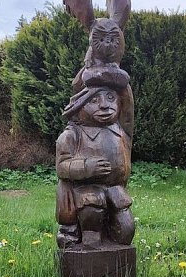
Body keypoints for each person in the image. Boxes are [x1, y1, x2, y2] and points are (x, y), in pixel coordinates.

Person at [55, 85, 135, 249]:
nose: (105, 105)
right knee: (92, 207)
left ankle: (110, 242)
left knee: (126, 232)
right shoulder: (72, 135)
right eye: (94, 100)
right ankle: (88, 241)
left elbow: (128, 103)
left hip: (115, 189)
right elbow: (62, 167)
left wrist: (115, 75)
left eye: (111, 98)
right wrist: (86, 167)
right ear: (79, 107)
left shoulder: (120, 130)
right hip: (85, 191)